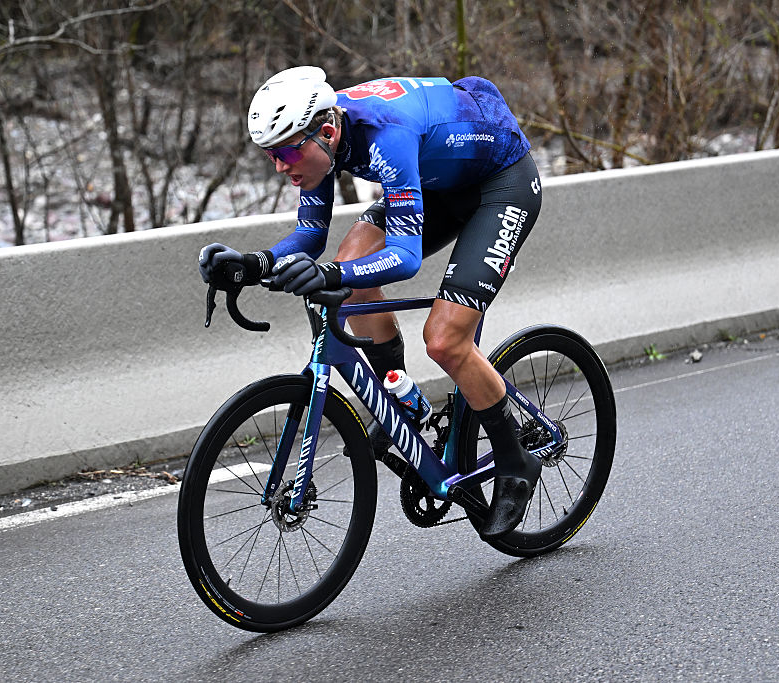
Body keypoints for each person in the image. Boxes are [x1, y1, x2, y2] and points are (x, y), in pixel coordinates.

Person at [198, 66, 542, 539]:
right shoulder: (319, 137)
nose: (280, 165)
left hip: (501, 184)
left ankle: (516, 462)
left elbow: (404, 257)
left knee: (444, 340)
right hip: (438, 182)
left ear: (327, 130)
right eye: (270, 155)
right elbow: (311, 235)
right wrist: (255, 264)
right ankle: (403, 398)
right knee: (353, 265)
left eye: (285, 152)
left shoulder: (384, 134)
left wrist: (331, 275)